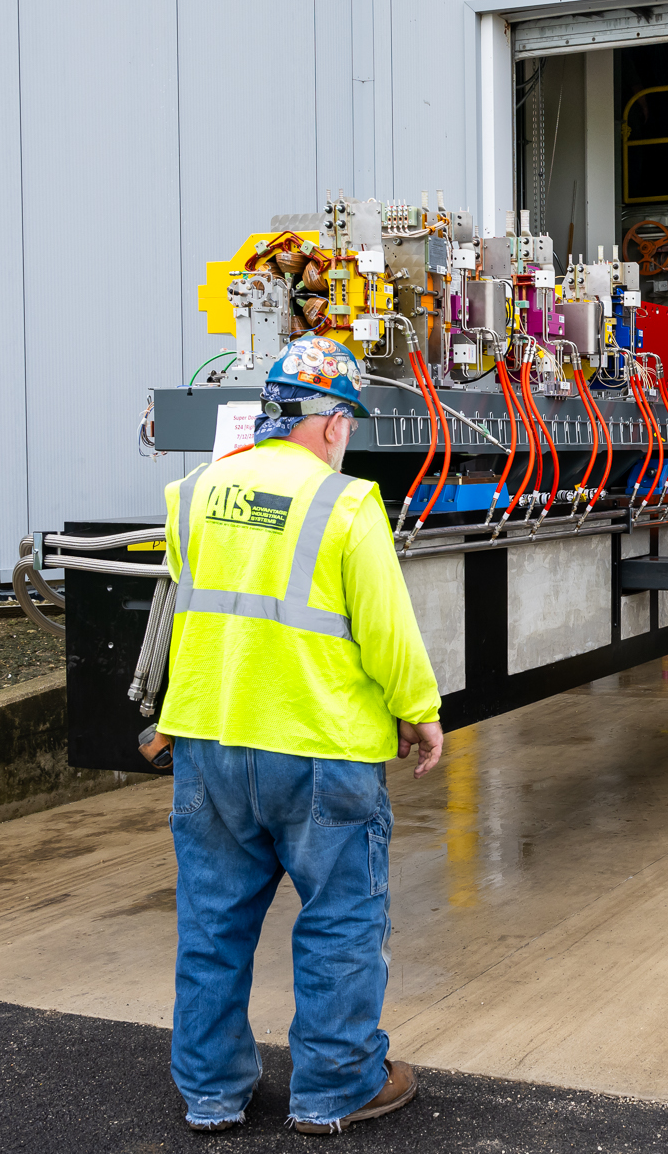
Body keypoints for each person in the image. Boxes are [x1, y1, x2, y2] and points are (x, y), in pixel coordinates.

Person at [147, 333, 445, 1132]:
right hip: (319, 748)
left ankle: (210, 1090)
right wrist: (419, 712)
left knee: (212, 923)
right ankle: (335, 1087)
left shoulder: (196, 491)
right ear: (335, 423)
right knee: (341, 921)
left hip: (209, 741)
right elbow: (386, 629)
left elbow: (193, 609)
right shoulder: (344, 504)